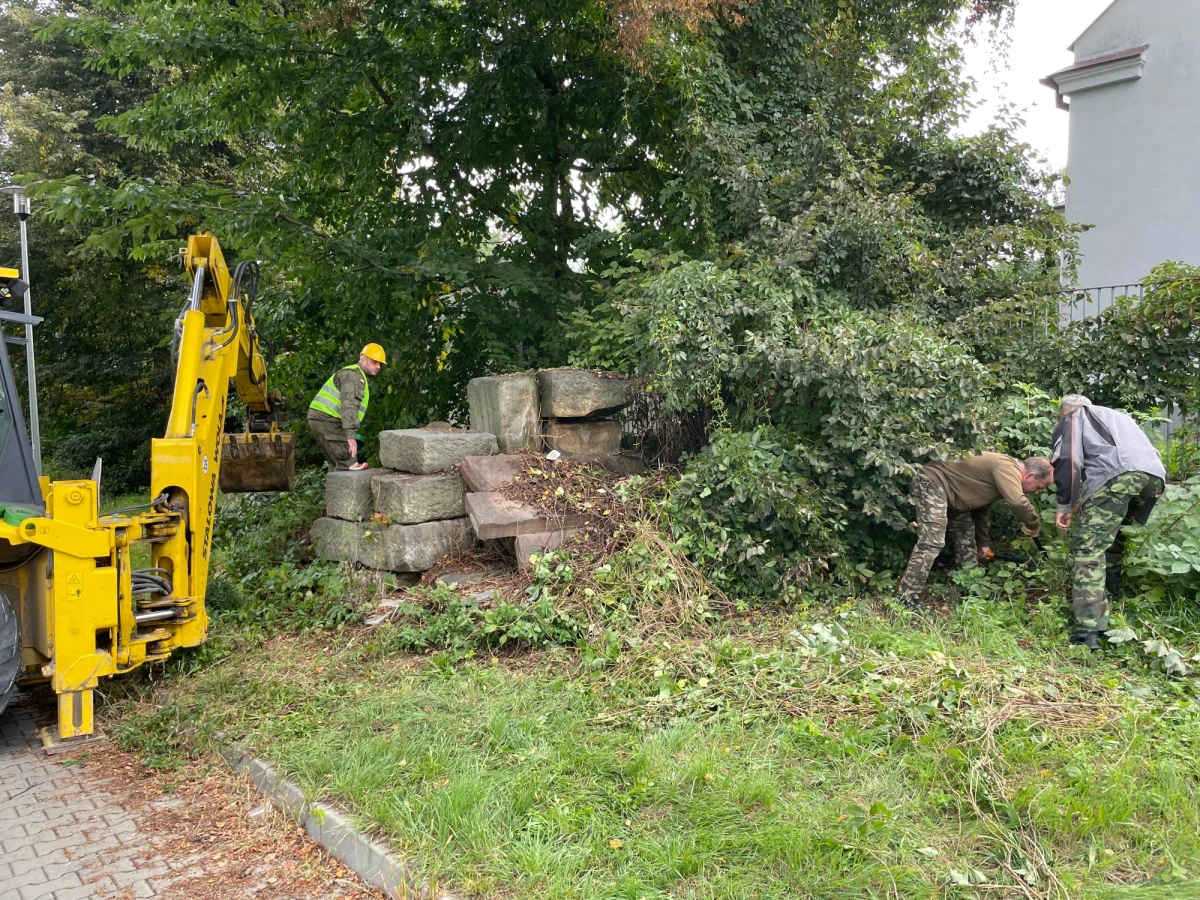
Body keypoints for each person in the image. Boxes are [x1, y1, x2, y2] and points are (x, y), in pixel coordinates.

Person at [1051, 394, 1166, 650]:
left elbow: (1068, 460)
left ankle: (1089, 630)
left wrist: (1065, 505)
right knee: (1112, 543)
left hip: (1117, 477)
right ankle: (1111, 601)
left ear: (1065, 413)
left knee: (1088, 550)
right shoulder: (1120, 417)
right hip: (1154, 477)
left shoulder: (1075, 416)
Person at [898, 452, 1054, 609]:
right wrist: (1033, 524)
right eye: (1039, 487)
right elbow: (1017, 502)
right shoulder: (1007, 468)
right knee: (932, 542)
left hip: (952, 494)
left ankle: (970, 589)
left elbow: (981, 509)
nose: (1036, 492)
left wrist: (983, 543)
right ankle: (907, 597)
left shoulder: (1006, 474)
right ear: (1030, 476)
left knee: (966, 535)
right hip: (932, 483)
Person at [307, 343, 386, 470]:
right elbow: (349, 405)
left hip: (323, 419)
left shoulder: (353, 374)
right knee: (348, 462)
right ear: (363, 359)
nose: (378, 366)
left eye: (380, 363)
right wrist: (350, 436)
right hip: (328, 419)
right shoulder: (354, 376)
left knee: (337, 464)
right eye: (374, 362)